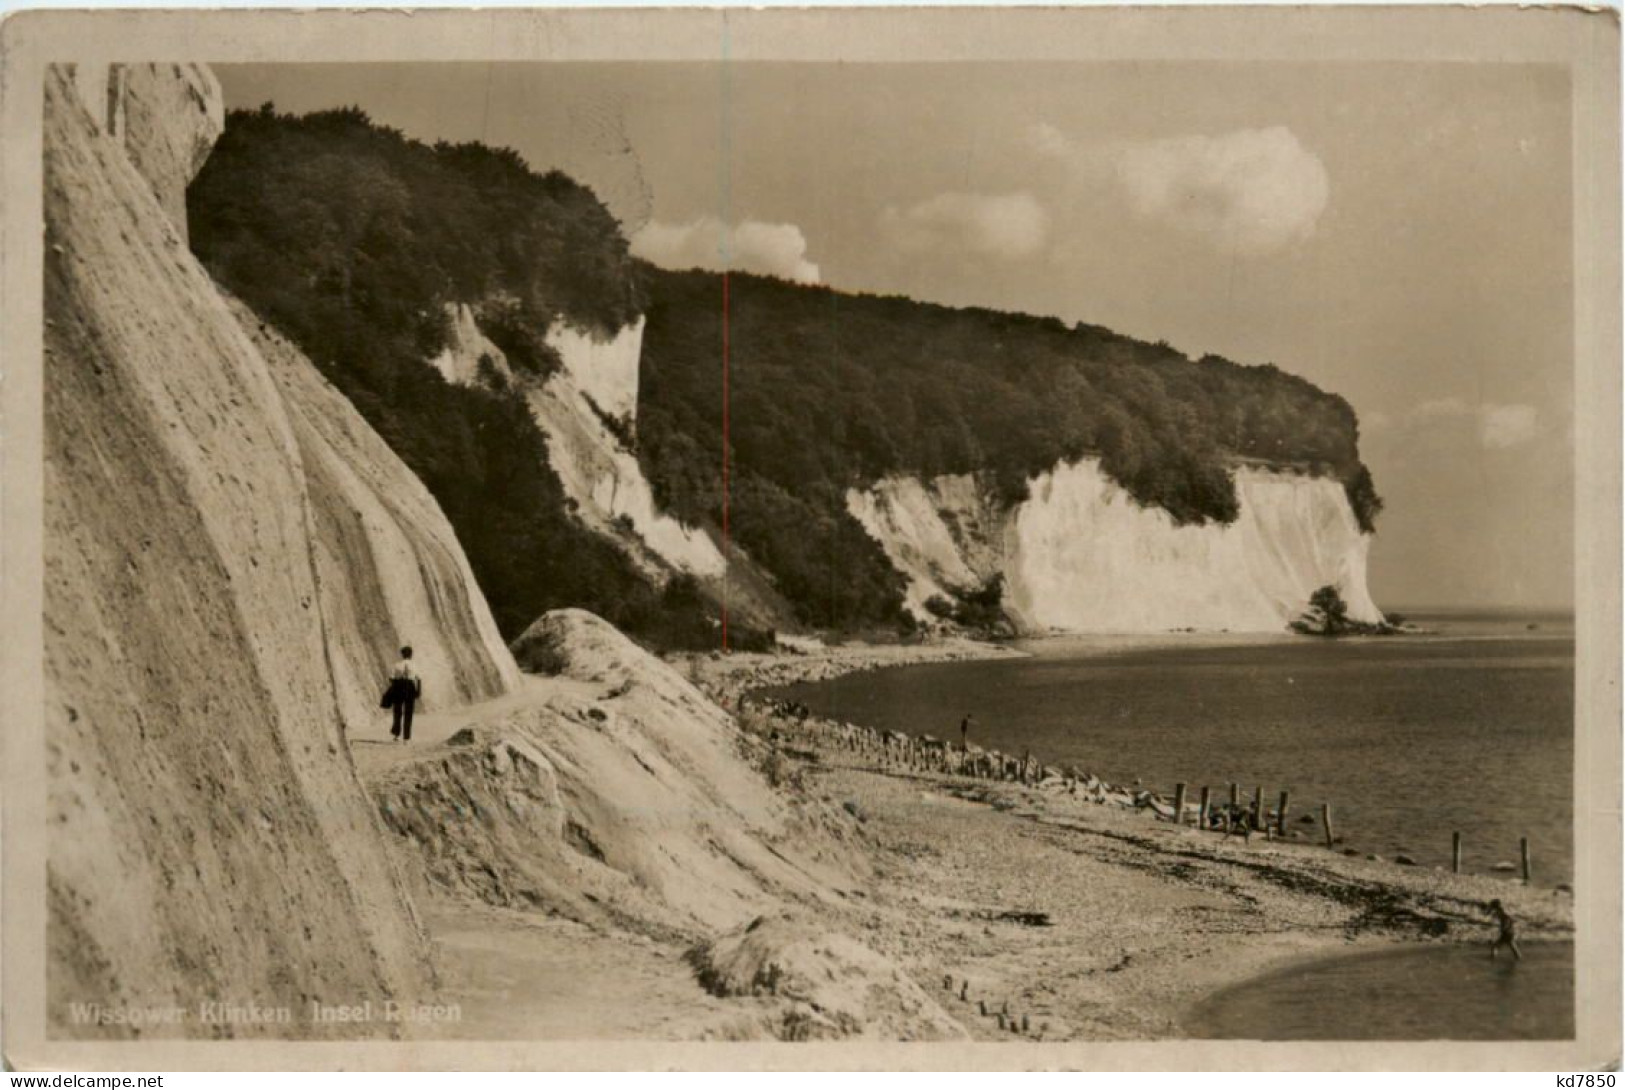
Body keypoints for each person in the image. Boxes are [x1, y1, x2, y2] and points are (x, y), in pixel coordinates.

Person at [386, 646, 422, 743]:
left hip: (398, 686)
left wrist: (395, 686)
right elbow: (418, 679)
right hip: (410, 687)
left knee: (397, 712)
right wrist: (418, 692)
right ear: (411, 654)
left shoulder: (397, 665)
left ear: (402, 655)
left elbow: (391, 678)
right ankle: (406, 738)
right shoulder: (414, 665)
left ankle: (396, 735)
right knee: (408, 713)